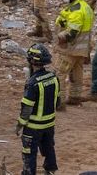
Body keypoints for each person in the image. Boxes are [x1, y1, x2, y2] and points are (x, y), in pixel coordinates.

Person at [18, 44, 60, 175]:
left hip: (33, 126)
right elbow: (58, 102)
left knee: (29, 153)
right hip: (49, 124)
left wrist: (20, 124)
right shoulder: (54, 77)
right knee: (49, 149)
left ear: (32, 62)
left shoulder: (32, 83)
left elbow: (27, 108)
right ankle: (50, 171)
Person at [53, 0, 93, 107]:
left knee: (59, 73)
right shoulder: (85, 7)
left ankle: (58, 101)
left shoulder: (76, 10)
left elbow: (71, 34)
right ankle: (75, 97)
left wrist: (59, 37)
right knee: (76, 73)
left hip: (70, 49)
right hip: (81, 49)